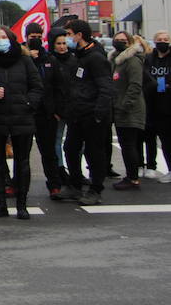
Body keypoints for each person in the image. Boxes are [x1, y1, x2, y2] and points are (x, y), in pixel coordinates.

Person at [0, 26, 43, 218]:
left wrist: (28, 103)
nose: (1, 40)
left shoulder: (24, 60)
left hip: (22, 118)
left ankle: (22, 205)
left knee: (22, 163)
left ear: (12, 39)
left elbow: (37, 86)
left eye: (4, 37)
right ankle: (0, 204)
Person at [62, 19, 114, 206]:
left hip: (93, 114)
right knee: (70, 148)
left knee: (94, 152)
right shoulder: (78, 56)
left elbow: (106, 88)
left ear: (79, 35)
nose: (67, 38)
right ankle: (75, 185)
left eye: (69, 34)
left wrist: (99, 114)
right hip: (77, 114)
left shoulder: (96, 57)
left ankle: (95, 189)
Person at [29, 26, 71, 198]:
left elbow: (59, 86)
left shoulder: (49, 59)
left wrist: (57, 110)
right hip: (26, 111)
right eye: (33, 37)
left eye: (39, 36)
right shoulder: (21, 58)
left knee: (49, 152)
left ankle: (54, 185)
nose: (36, 40)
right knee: (21, 154)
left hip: (46, 113)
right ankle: (16, 184)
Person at [109, 32, 148, 191]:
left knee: (129, 144)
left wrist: (125, 105)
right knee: (126, 145)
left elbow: (135, 86)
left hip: (130, 109)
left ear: (129, 42)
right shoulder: (116, 60)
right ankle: (131, 175)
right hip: (119, 107)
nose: (119, 42)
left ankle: (133, 178)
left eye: (123, 41)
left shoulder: (132, 61)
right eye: (117, 40)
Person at [145, 31, 171, 181]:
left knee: (167, 141)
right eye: (160, 39)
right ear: (154, 42)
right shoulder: (149, 58)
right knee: (149, 138)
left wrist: (163, 85)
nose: (163, 42)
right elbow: (146, 76)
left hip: (167, 106)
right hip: (151, 104)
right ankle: (150, 166)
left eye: (166, 39)